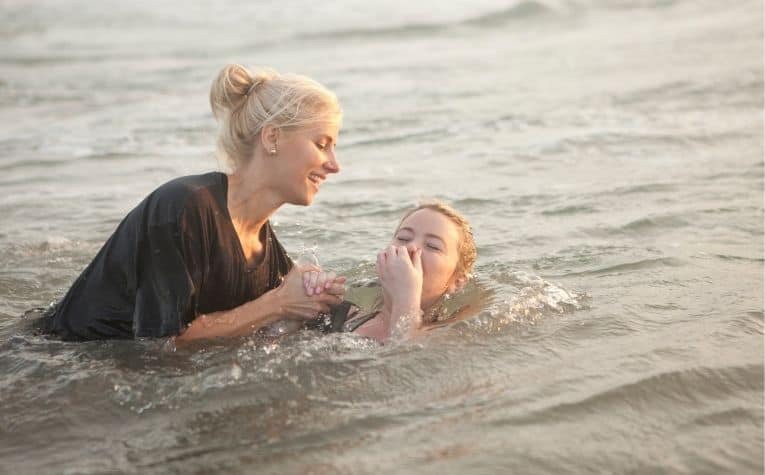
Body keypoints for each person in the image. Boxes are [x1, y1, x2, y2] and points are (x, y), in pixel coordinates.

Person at [40, 63, 345, 342]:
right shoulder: (184, 208)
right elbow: (162, 343)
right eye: (322, 145)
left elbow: (282, 323)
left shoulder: (267, 251)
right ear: (271, 138)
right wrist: (278, 304)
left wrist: (316, 299)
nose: (334, 165)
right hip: (50, 358)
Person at [305, 201, 477, 342]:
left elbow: (403, 367)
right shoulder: (341, 315)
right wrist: (309, 296)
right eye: (403, 238)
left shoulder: (451, 338)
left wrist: (406, 297)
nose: (410, 247)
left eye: (432, 246)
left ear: (457, 281)